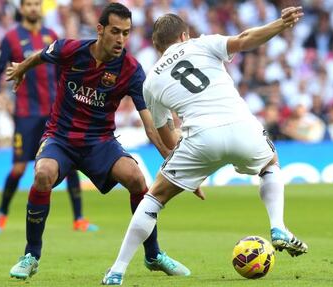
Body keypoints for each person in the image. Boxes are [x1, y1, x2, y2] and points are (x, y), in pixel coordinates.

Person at [103, 7, 309, 285]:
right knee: (270, 164)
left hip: (200, 137)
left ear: (156, 46)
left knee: (153, 199)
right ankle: (278, 226)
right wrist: (280, 25)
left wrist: (189, 170)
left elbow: (166, 134)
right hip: (242, 126)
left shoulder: (150, 82)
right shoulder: (201, 43)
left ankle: (117, 270)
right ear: (184, 35)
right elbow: (245, 38)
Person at [7, 2, 190, 280]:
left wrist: (171, 157)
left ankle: (153, 255)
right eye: (115, 31)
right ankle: (31, 254)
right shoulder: (72, 50)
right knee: (43, 174)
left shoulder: (131, 69)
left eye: (126, 33)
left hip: (99, 141)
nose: (120, 39)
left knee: (137, 179)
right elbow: (42, 56)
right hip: (61, 136)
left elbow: (150, 125)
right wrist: (21, 68)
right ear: (100, 29)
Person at [0, 0, 98, 234]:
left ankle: (79, 218)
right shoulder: (10, 38)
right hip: (25, 114)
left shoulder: (52, 36)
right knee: (18, 168)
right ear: (22, 8)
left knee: (69, 166)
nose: (33, 8)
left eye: (37, 4)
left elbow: (63, 70)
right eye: (29, 4)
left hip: (54, 114)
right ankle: (1, 214)